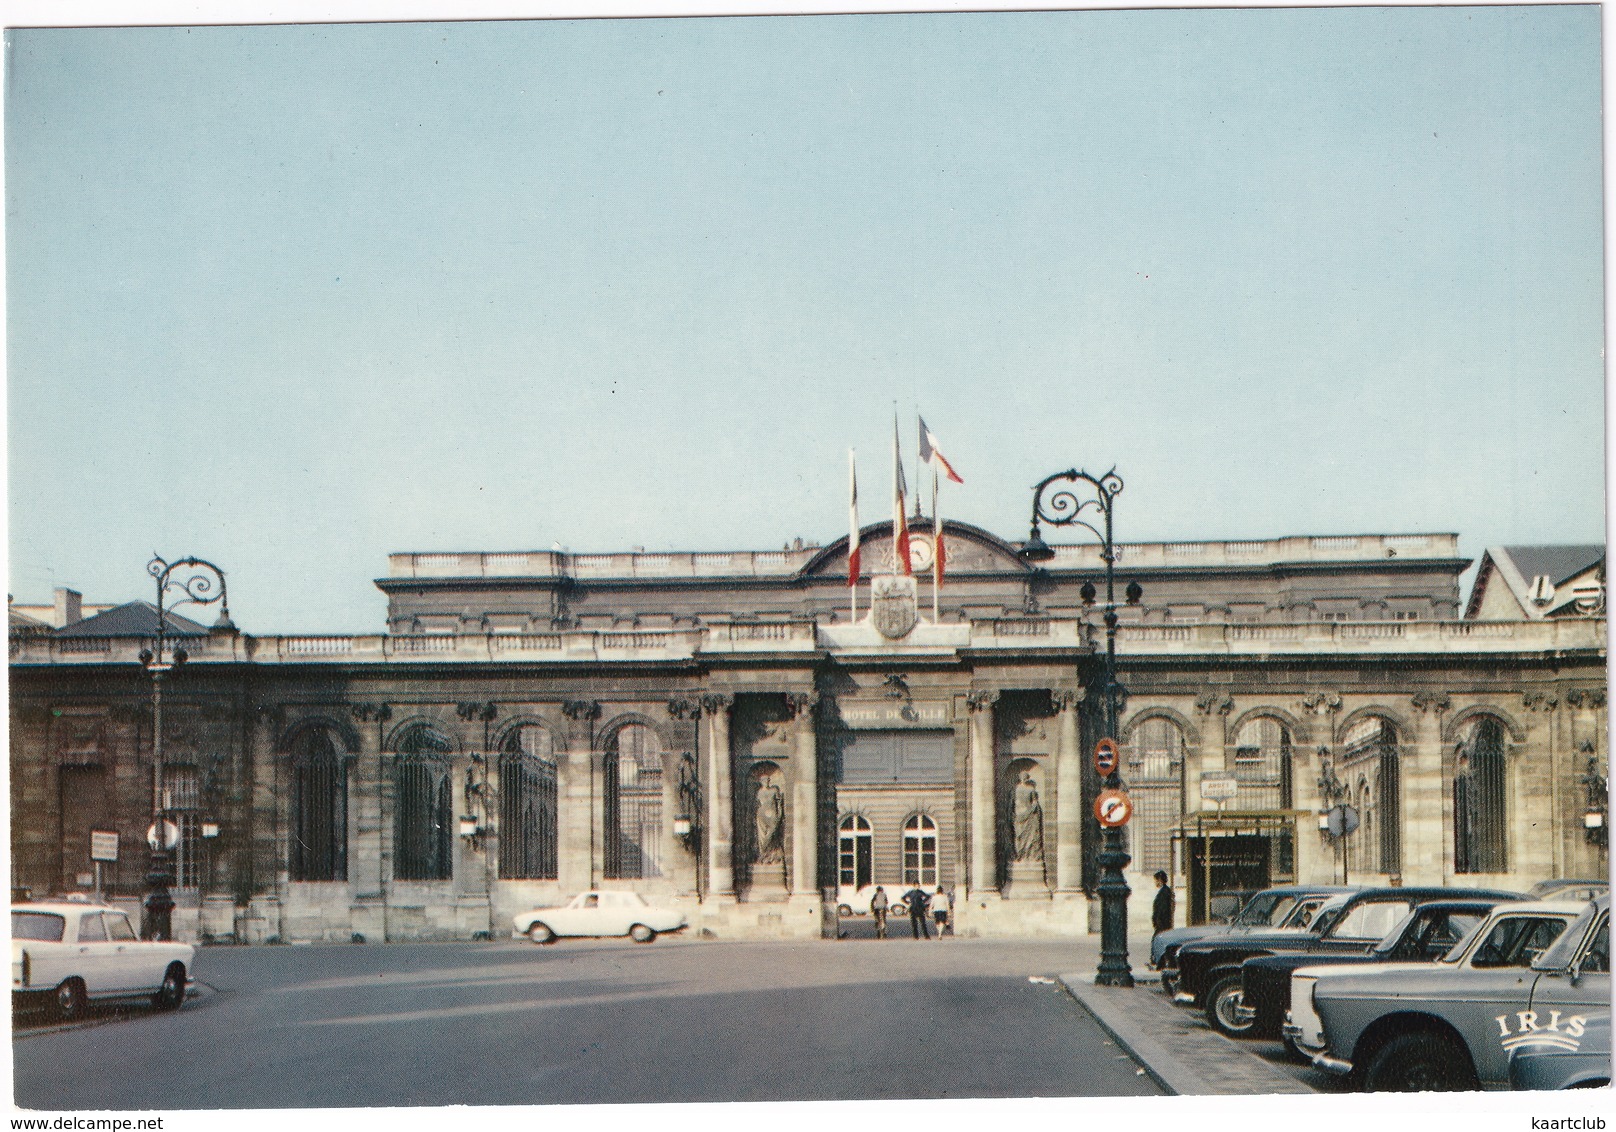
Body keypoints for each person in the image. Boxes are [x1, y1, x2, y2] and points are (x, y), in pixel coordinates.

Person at [1151, 870, 1174, 936]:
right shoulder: (1163, 891)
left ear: (1160, 880)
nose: (1155, 882)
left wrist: (1158, 922)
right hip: (1161, 924)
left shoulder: (1164, 892)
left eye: (1156, 880)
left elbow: (1163, 909)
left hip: (1162, 925)